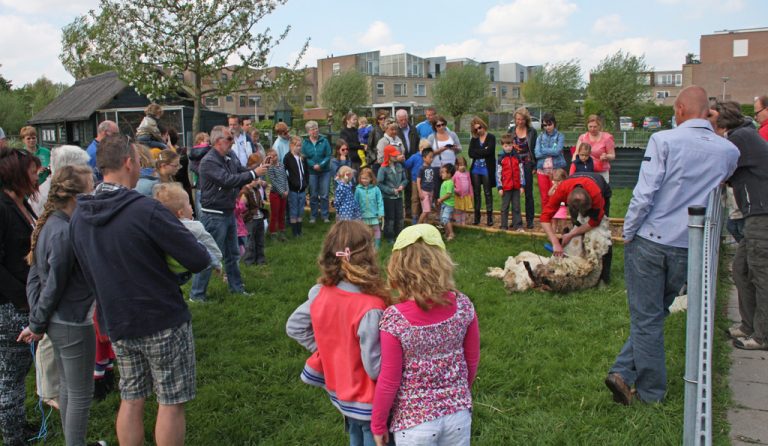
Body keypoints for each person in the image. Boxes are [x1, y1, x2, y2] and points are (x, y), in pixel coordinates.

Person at [69, 134, 210, 445]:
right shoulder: (144, 209)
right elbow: (199, 258)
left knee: (132, 396)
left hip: (117, 318)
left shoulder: (79, 216)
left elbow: (85, 270)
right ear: (129, 162)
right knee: (171, 401)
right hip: (161, 318)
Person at [605, 86, 739, 405]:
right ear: (707, 112)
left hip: (651, 240)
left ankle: (651, 393)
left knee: (646, 317)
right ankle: (622, 371)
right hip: (688, 245)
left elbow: (644, 193)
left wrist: (629, 231)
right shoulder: (728, 151)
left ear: (679, 109)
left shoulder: (663, 140)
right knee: (656, 312)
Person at [17, 165, 104, 446]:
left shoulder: (50, 224)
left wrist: (38, 318)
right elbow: (53, 284)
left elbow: (35, 277)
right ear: (76, 197)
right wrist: (37, 322)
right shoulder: (63, 232)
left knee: (69, 387)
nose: (94, 194)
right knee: (80, 393)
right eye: (91, 189)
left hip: (58, 321)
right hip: (72, 323)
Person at [371, 224, 480, 446]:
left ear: (397, 269)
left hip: (414, 423)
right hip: (458, 416)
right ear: (442, 263)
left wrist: (378, 424)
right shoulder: (464, 306)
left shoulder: (394, 319)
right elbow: (472, 360)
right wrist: (459, 393)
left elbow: (389, 380)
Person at [286, 220, 390, 446]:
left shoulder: (319, 293)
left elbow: (294, 326)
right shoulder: (371, 307)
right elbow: (374, 367)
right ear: (369, 255)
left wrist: (331, 349)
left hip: (341, 392)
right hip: (370, 401)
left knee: (354, 435)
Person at [712, 101, 768, 350]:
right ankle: (749, 325)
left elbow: (718, 171)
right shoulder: (744, 134)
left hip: (762, 214)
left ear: (721, 121)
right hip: (755, 213)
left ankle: (762, 335)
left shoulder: (740, 138)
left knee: (760, 274)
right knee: (741, 269)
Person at [196, 126, 267, 298]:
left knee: (233, 254)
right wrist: (254, 173)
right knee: (210, 256)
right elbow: (228, 180)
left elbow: (241, 170)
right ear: (218, 141)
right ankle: (197, 295)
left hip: (227, 212)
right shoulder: (209, 161)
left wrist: (261, 166)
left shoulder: (230, 156)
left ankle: (237, 288)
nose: (233, 141)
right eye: (229, 138)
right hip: (213, 215)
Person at [0, 147, 41, 446]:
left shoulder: (21, 202)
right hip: (9, 304)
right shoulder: (2, 208)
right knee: (10, 376)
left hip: (24, 297)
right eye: (32, 170)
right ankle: (13, 436)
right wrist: (21, 298)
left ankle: (17, 425)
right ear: (16, 174)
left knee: (16, 371)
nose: (37, 174)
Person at [509, 107, 538, 229]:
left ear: (526, 120)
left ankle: (530, 220)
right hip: (514, 164)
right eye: (517, 119)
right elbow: (507, 145)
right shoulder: (511, 130)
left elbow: (535, 149)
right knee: (514, 192)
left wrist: (534, 165)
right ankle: (516, 219)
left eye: (522, 119)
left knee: (528, 193)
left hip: (527, 164)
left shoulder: (532, 131)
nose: (519, 122)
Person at [302, 121, 332, 224]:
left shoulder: (324, 141)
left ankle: (325, 215)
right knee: (313, 195)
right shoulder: (305, 143)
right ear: (308, 131)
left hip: (325, 172)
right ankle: (313, 216)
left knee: (324, 194)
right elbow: (305, 157)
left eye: (316, 128)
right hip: (312, 172)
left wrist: (321, 165)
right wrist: (313, 165)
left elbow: (328, 155)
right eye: (312, 129)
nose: (315, 131)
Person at [535, 113, 566, 211]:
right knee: (544, 197)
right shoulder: (540, 137)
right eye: (545, 125)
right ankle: (546, 218)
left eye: (549, 124)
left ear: (554, 124)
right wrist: (550, 151)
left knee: (556, 195)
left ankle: (556, 219)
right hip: (542, 170)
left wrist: (544, 150)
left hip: (556, 170)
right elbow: (537, 154)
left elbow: (557, 151)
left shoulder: (560, 136)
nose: (547, 127)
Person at [468, 117, 496, 226]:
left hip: (486, 169)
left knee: (488, 193)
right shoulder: (474, 139)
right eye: (475, 130)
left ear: (483, 125)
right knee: (476, 193)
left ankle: (489, 218)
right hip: (475, 169)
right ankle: (477, 217)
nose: (478, 130)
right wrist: (483, 151)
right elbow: (470, 153)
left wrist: (479, 151)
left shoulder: (491, 137)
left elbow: (489, 151)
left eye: (479, 127)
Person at [377, 145, 407, 244]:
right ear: (388, 156)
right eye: (393, 155)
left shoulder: (399, 166)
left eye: (396, 155)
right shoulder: (383, 169)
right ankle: (389, 237)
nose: (396, 157)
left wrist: (402, 185)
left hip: (399, 197)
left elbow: (405, 179)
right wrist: (391, 190)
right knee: (390, 218)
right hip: (388, 198)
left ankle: (400, 235)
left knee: (400, 217)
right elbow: (379, 184)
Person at [427, 115, 462, 201]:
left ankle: (450, 212)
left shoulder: (452, 134)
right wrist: (441, 149)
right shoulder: (431, 137)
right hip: (437, 167)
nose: (441, 127)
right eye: (438, 125)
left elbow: (460, 148)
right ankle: (439, 213)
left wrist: (455, 148)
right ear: (434, 127)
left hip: (451, 167)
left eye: (443, 124)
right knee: (438, 192)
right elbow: (428, 153)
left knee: (451, 191)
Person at [574, 115, 615, 182]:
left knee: (601, 191)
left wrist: (606, 156)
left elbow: (612, 156)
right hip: (585, 171)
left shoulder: (607, 138)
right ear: (587, 125)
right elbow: (576, 153)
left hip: (601, 172)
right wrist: (574, 165)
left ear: (599, 126)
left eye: (595, 127)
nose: (592, 129)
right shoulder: (583, 137)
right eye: (590, 126)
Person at [397, 110, 420, 222]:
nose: (403, 121)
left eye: (405, 119)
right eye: (401, 120)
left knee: (414, 186)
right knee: (405, 186)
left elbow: (417, 142)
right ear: (397, 120)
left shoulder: (413, 129)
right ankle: (408, 212)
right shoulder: (396, 131)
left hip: (414, 160)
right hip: (402, 161)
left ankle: (415, 211)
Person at [284, 135, 310, 237]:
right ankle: (295, 232)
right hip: (293, 189)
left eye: (300, 146)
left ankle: (299, 231)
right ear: (291, 146)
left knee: (300, 210)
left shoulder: (302, 158)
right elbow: (285, 173)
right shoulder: (288, 158)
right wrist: (291, 183)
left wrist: (306, 182)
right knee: (294, 210)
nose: (299, 148)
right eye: (297, 146)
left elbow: (306, 171)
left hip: (302, 189)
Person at [497, 134, 522, 231]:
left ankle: (518, 225)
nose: (508, 148)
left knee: (516, 206)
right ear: (502, 145)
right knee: (505, 207)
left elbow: (521, 171)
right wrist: (499, 187)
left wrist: (522, 185)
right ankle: (504, 226)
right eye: (506, 146)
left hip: (516, 186)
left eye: (510, 145)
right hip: (505, 187)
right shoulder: (501, 158)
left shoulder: (517, 157)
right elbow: (498, 173)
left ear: (513, 145)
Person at [238, 179, 267, 266]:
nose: (257, 182)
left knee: (260, 240)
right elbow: (241, 208)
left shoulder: (256, 190)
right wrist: (248, 216)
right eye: (255, 180)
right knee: (250, 242)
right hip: (251, 220)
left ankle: (260, 260)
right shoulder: (244, 192)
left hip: (259, 218)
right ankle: (249, 261)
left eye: (258, 180)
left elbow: (259, 203)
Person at [355, 168, 384, 249]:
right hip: (362, 215)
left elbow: (380, 201)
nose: (364, 180)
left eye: (366, 178)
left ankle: (377, 246)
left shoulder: (376, 189)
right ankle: (364, 245)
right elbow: (355, 202)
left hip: (374, 214)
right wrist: (357, 214)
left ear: (371, 178)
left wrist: (381, 213)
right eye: (362, 178)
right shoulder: (358, 189)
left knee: (376, 229)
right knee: (364, 231)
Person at [404, 139, 430, 224]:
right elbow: (406, 165)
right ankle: (414, 217)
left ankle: (424, 217)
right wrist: (402, 161)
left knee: (425, 199)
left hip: (425, 182)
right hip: (415, 181)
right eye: (426, 149)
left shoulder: (428, 157)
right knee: (415, 199)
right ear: (421, 148)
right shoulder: (414, 157)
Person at [266, 148, 289, 241]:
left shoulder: (282, 165)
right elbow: (273, 182)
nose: (275, 158)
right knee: (274, 214)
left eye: (275, 155)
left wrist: (287, 190)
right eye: (272, 157)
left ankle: (282, 232)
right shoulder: (270, 168)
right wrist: (281, 192)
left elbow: (285, 179)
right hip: (275, 194)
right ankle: (273, 233)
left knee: (282, 213)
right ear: (269, 158)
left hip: (284, 193)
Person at [416, 147, 436, 224]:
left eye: (432, 157)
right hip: (424, 192)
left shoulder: (431, 168)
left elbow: (431, 180)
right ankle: (417, 226)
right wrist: (420, 192)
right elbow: (418, 181)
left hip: (430, 191)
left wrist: (432, 190)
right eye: (430, 157)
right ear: (424, 158)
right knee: (426, 210)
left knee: (427, 211)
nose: (432, 159)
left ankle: (425, 227)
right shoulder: (421, 168)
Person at [437, 164, 457, 241]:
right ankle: (447, 233)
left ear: (449, 174)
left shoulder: (449, 182)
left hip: (448, 205)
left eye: (443, 172)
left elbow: (448, 194)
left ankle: (451, 233)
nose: (441, 174)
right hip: (444, 204)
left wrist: (440, 199)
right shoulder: (445, 182)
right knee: (443, 219)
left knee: (445, 218)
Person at [453, 156, 473, 225]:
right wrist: (455, 190)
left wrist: (471, 194)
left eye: (464, 165)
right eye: (461, 165)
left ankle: (463, 222)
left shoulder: (467, 173)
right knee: (458, 210)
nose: (463, 167)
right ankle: (458, 223)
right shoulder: (455, 174)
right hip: (458, 196)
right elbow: (451, 184)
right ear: (457, 166)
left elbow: (470, 184)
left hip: (465, 196)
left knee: (464, 210)